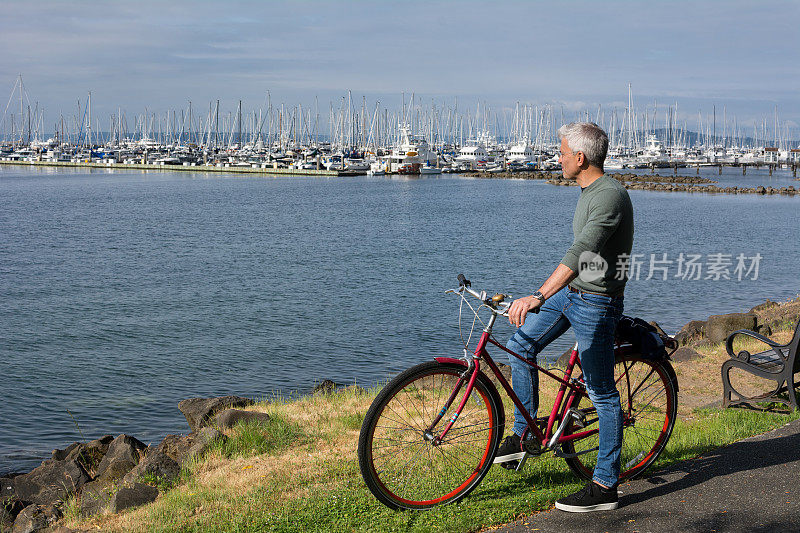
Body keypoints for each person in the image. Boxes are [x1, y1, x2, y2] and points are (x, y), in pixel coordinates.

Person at [493, 122, 634, 512]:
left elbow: (583, 252)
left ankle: (605, 486)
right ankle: (525, 435)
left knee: (601, 393)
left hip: (596, 304)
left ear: (580, 158)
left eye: (561, 150)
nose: (557, 156)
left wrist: (537, 296)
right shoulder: (589, 190)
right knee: (520, 344)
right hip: (573, 295)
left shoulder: (610, 196)